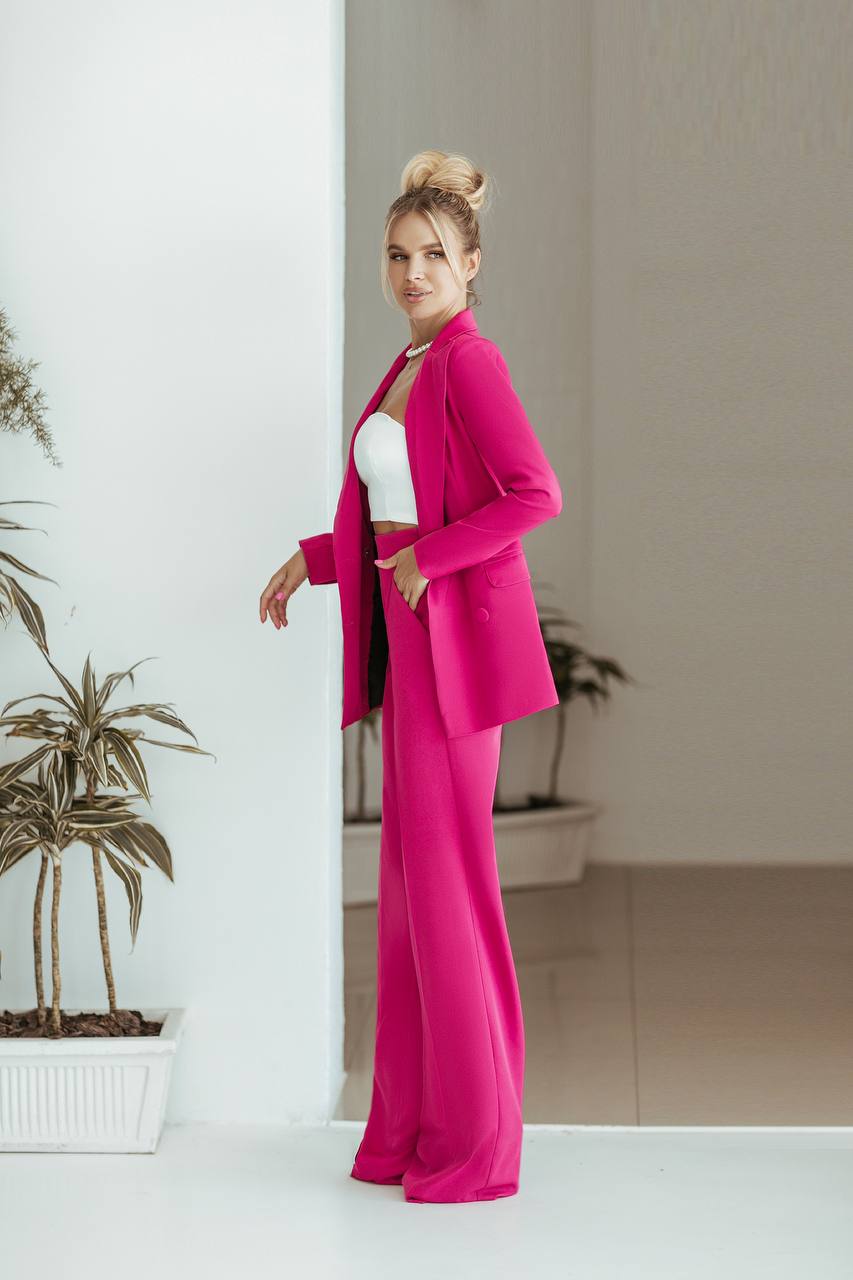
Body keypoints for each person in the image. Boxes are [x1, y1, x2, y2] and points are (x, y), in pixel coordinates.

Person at [259, 149, 563, 1203]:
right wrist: (320, 554)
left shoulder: (470, 362)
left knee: (449, 895)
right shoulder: (406, 364)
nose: (412, 270)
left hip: (454, 653)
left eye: (433, 253)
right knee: (404, 902)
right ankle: (411, 1130)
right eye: (396, 253)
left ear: (471, 262)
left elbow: (535, 494)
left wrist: (425, 564)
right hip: (407, 649)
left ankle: (479, 1146)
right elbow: (396, 510)